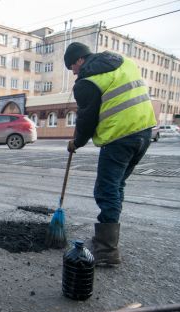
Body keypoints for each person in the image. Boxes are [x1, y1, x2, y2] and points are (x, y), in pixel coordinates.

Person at [64, 42, 155, 267]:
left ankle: (106, 250)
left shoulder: (87, 81)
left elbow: (87, 119)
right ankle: (107, 239)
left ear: (78, 60)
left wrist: (76, 142)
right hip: (144, 133)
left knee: (106, 189)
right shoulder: (124, 62)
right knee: (116, 187)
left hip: (119, 137)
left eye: (71, 67)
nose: (73, 72)